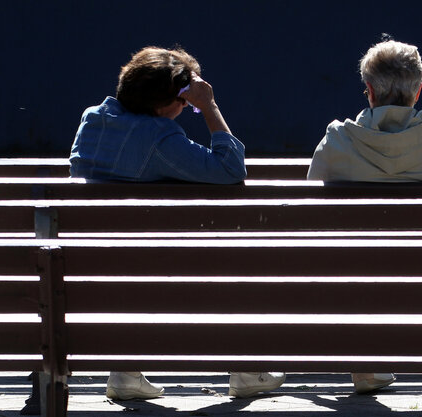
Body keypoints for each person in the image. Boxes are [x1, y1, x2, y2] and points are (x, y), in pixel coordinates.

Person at [69, 46, 285, 401]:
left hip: (86, 270)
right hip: (155, 278)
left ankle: (125, 370)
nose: (187, 110)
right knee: (229, 263)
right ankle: (246, 369)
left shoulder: (93, 118)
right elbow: (231, 170)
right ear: (163, 103)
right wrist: (210, 108)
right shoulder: (158, 137)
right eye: (186, 103)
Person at [307, 39, 422, 394]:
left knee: (350, 264)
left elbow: (310, 215)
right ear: (418, 92)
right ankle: (368, 362)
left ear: (370, 92)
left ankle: (365, 359)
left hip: (344, 280)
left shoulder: (337, 141)